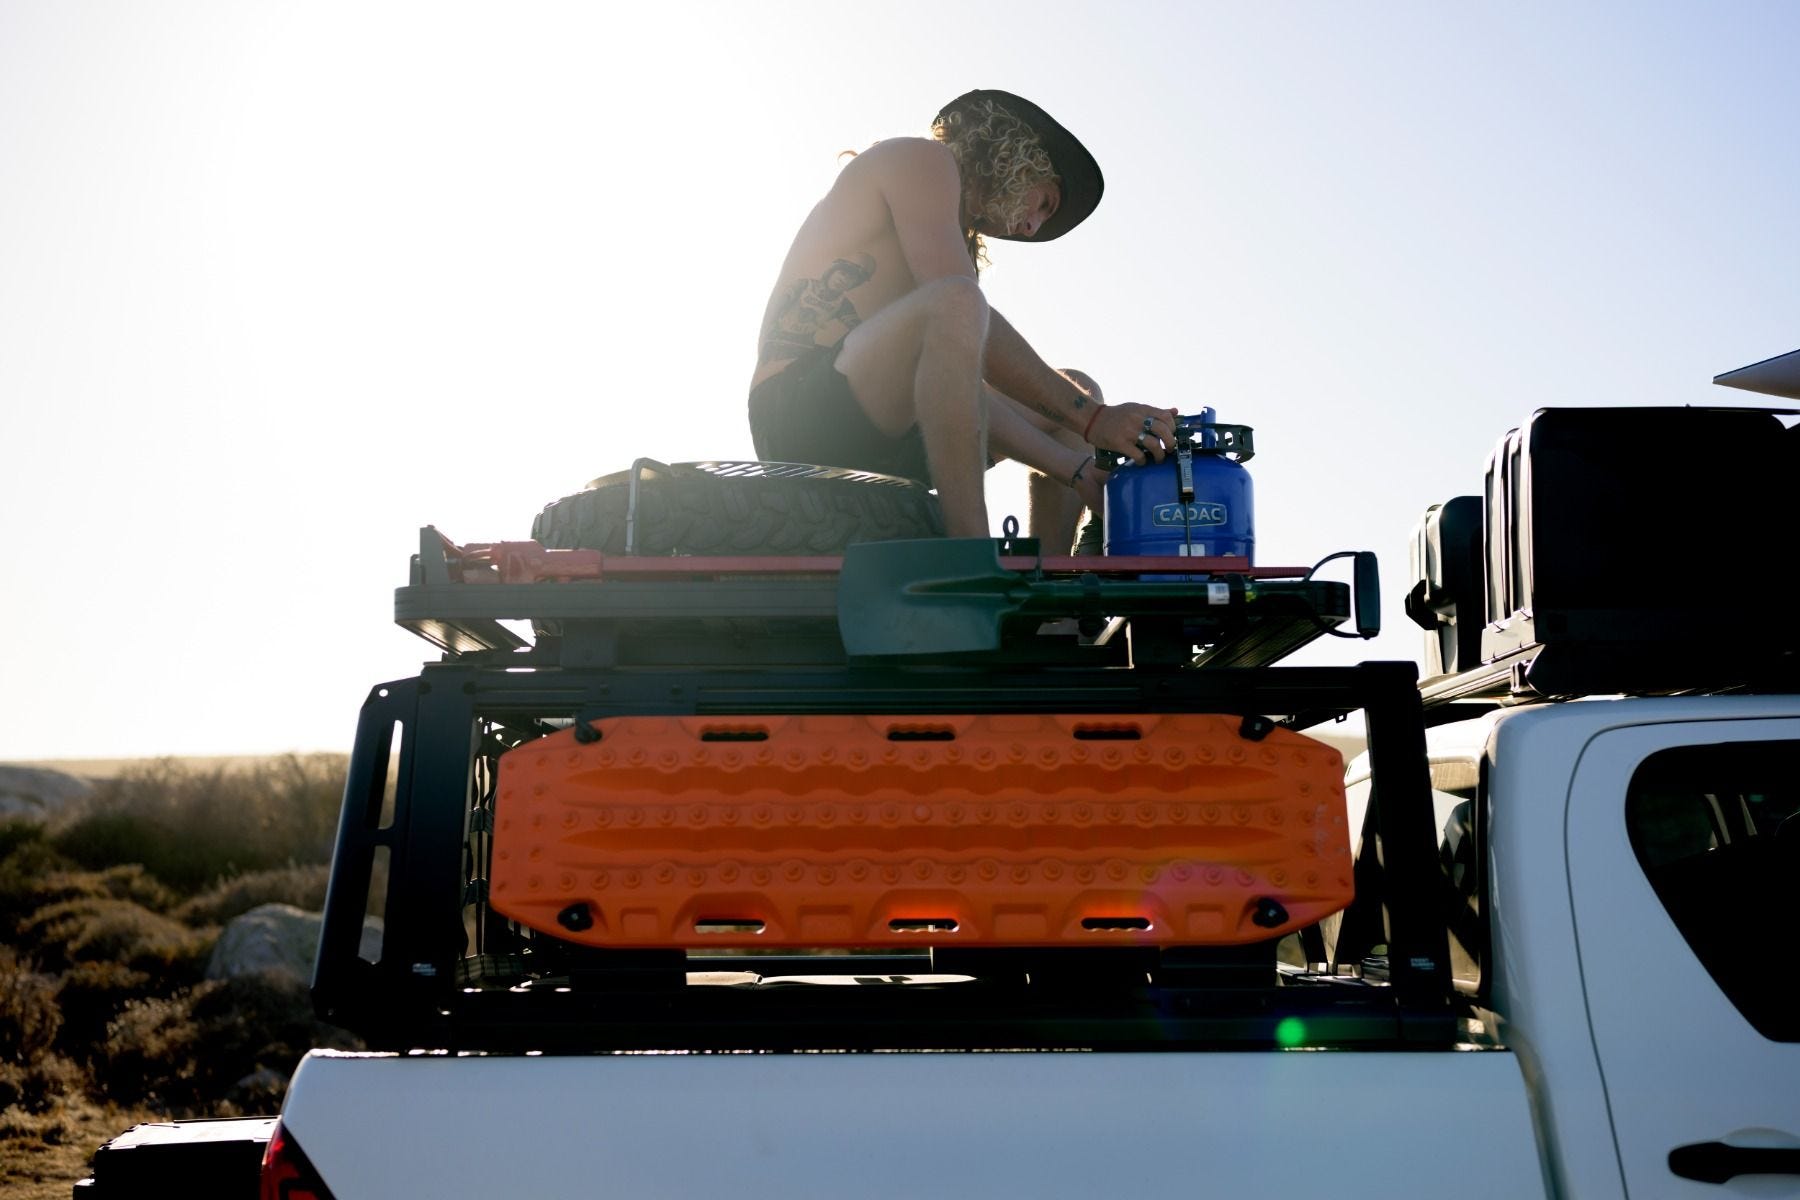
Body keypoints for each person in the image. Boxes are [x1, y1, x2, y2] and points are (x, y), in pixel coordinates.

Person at [747, 89, 1178, 547]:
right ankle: (970, 556)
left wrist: (1075, 466)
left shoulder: (953, 255)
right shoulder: (919, 160)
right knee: (959, 301)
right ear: (1020, 154)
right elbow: (957, 307)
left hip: (891, 431)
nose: (1031, 228)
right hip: (800, 412)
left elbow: (960, 392)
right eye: (1044, 204)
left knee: (1076, 389)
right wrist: (1096, 421)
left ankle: (1052, 605)